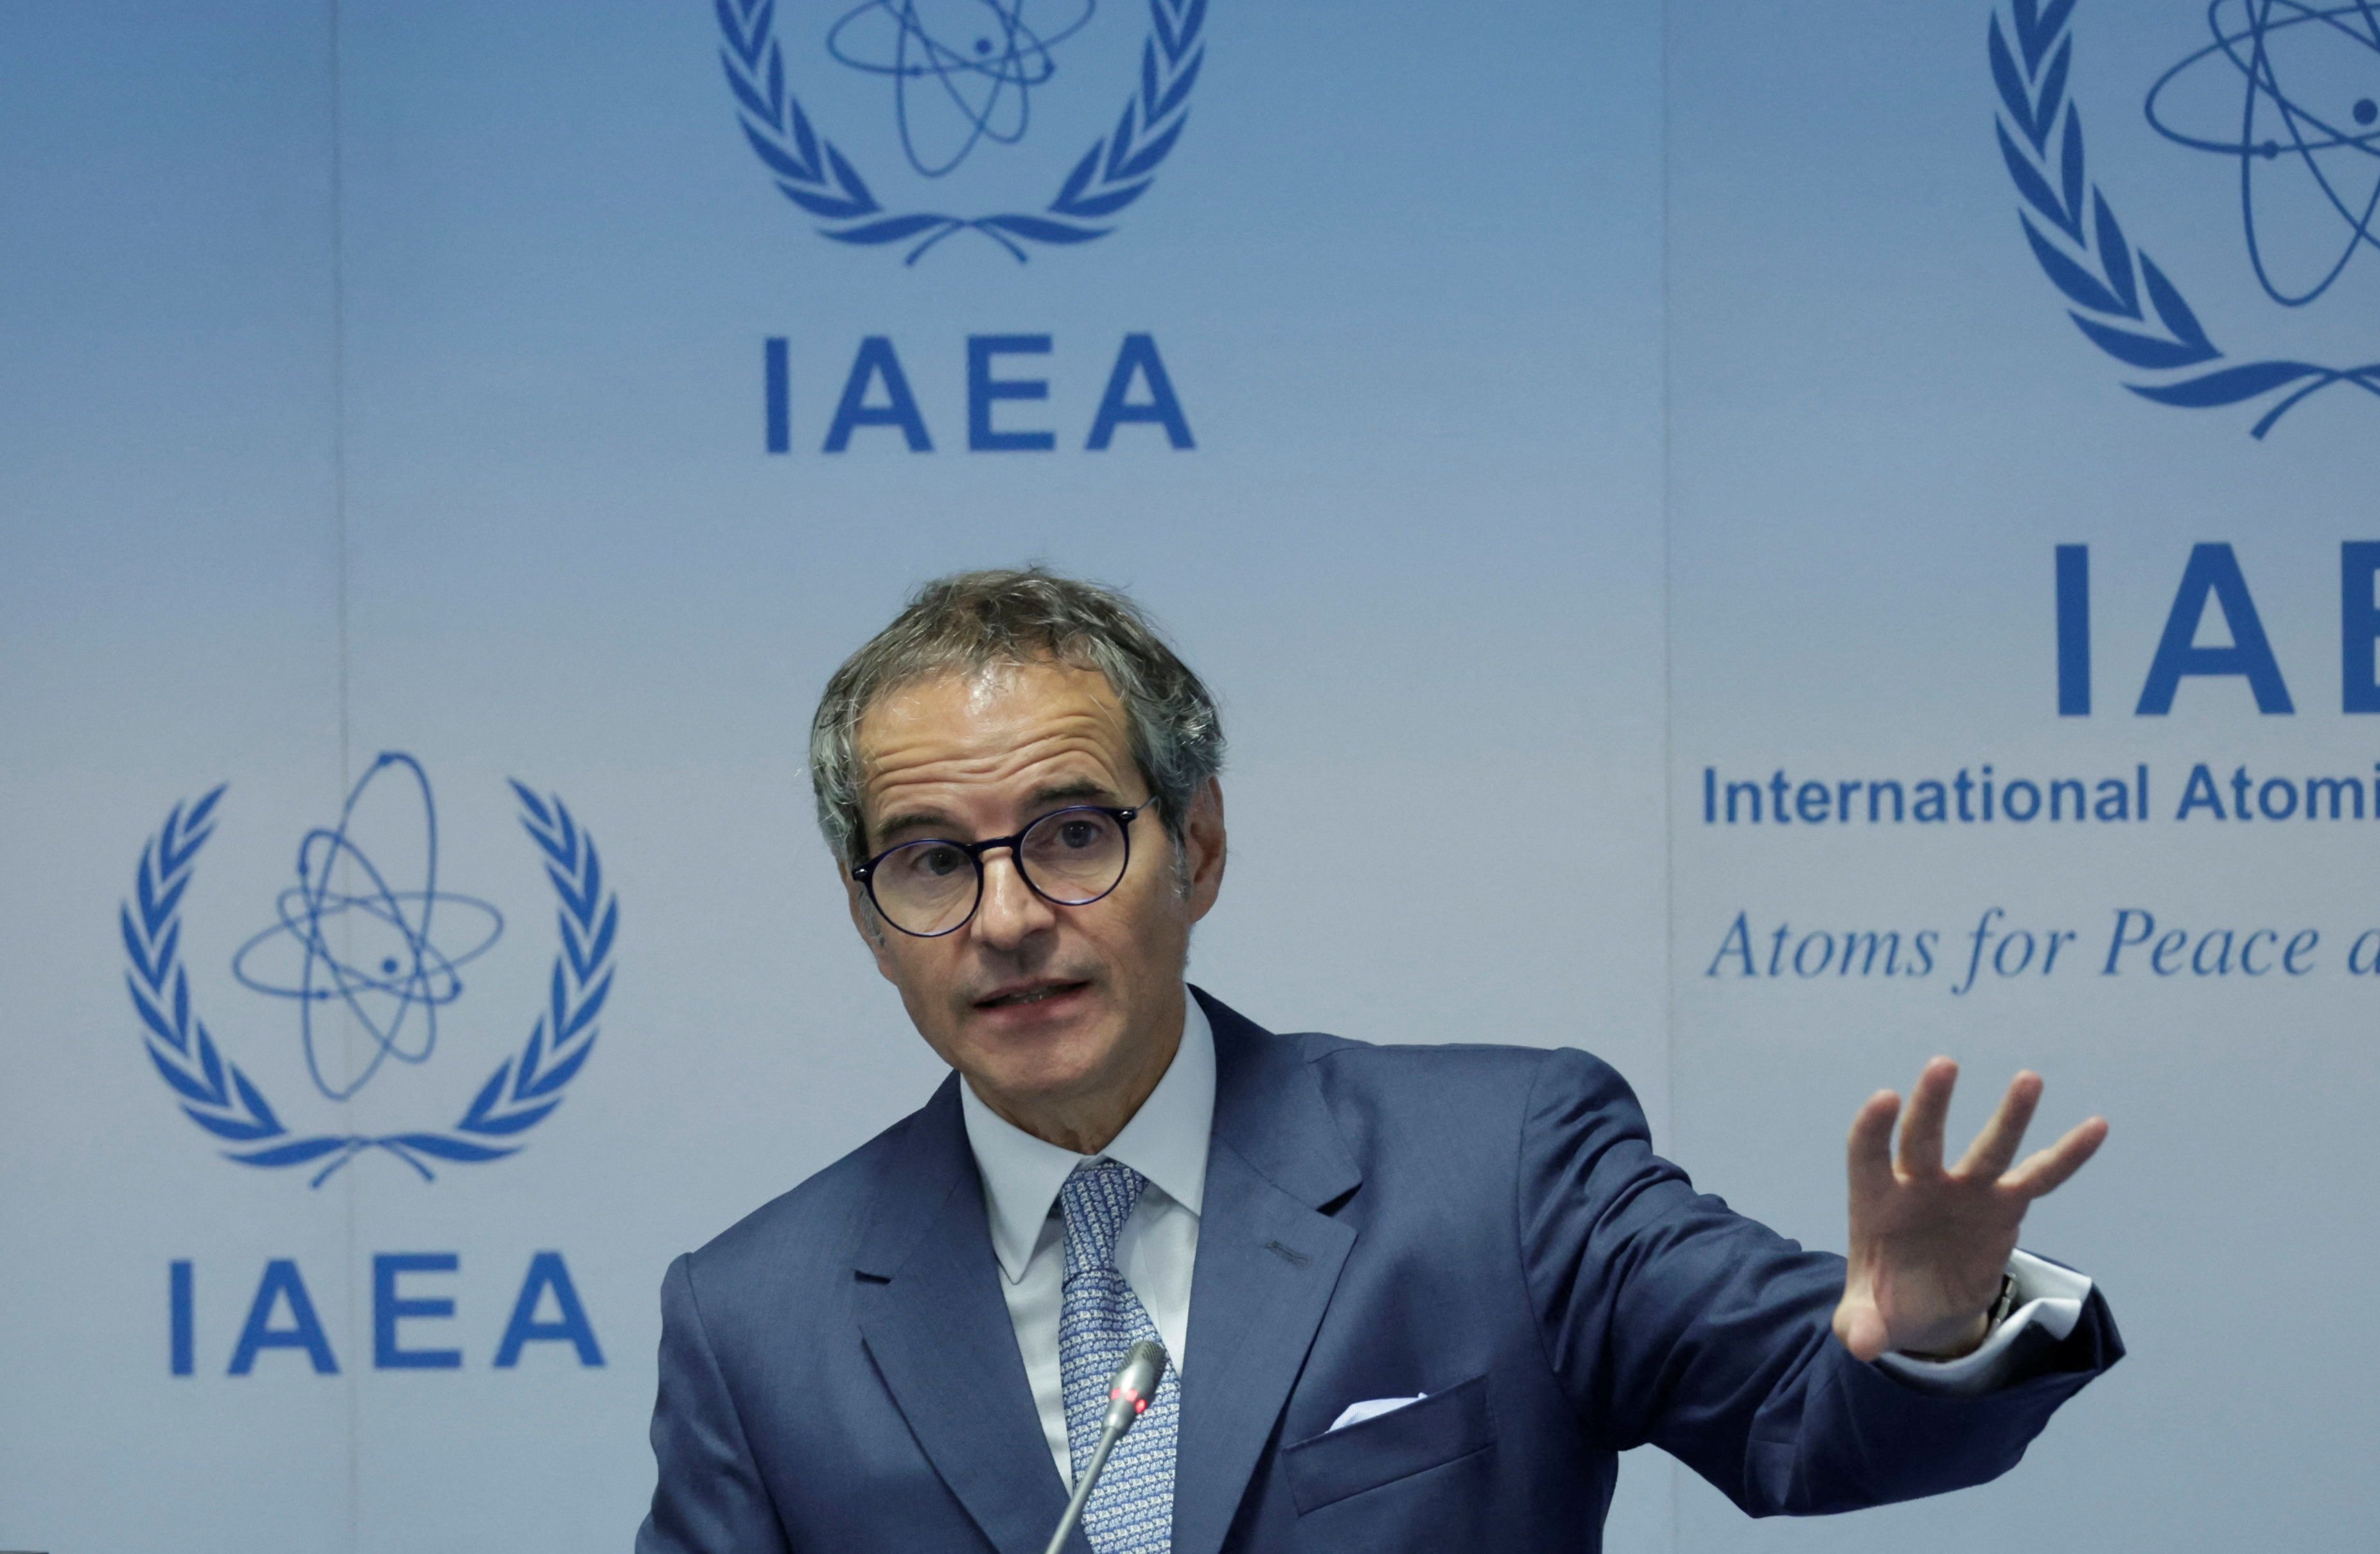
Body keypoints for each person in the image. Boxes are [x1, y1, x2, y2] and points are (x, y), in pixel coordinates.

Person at [638, 569, 2121, 1553]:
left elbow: (1808, 1418)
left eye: (1074, 835)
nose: (1011, 918)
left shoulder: (1500, 1167)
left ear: (1198, 846)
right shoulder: (754, 1320)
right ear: (867, 917)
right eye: (929, 863)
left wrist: (1939, 1328)